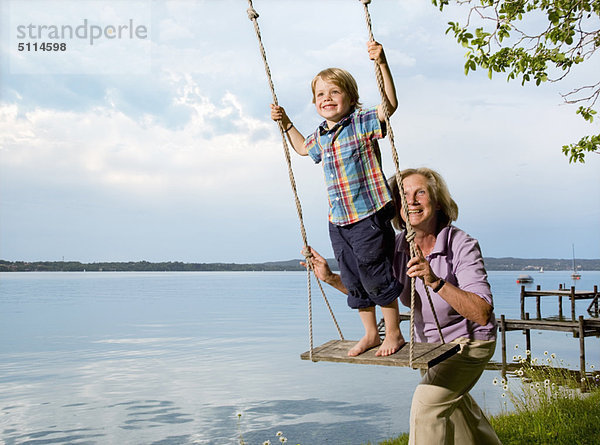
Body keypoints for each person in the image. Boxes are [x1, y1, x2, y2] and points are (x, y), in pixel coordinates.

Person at [304, 167, 502, 444]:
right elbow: (378, 292)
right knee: (458, 415)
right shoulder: (396, 246)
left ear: (438, 201)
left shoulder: (461, 244)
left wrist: (436, 281)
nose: (411, 201)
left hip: (469, 344)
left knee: (426, 406)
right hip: (429, 348)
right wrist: (330, 278)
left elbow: (481, 312)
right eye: (403, 195)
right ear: (395, 206)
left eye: (420, 192)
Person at [271, 41, 403, 357]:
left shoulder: (363, 121)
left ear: (350, 97)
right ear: (315, 103)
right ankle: (371, 333)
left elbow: (390, 105)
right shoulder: (321, 135)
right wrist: (286, 122)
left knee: (375, 272)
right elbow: (303, 149)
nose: (327, 98)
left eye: (334, 92)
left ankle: (394, 333)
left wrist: (382, 63)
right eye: (320, 94)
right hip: (338, 220)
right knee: (352, 276)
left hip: (368, 214)